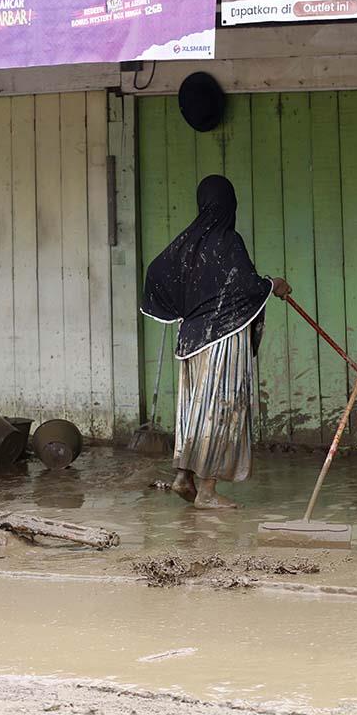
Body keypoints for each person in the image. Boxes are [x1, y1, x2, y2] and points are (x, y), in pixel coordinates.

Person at [141, 175, 290, 509]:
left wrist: (181, 309)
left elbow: (156, 271)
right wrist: (273, 284)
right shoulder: (227, 241)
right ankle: (206, 492)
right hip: (223, 338)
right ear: (230, 205)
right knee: (220, 410)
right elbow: (246, 288)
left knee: (194, 409)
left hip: (191, 340)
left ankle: (183, 477)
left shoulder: (187, 243)